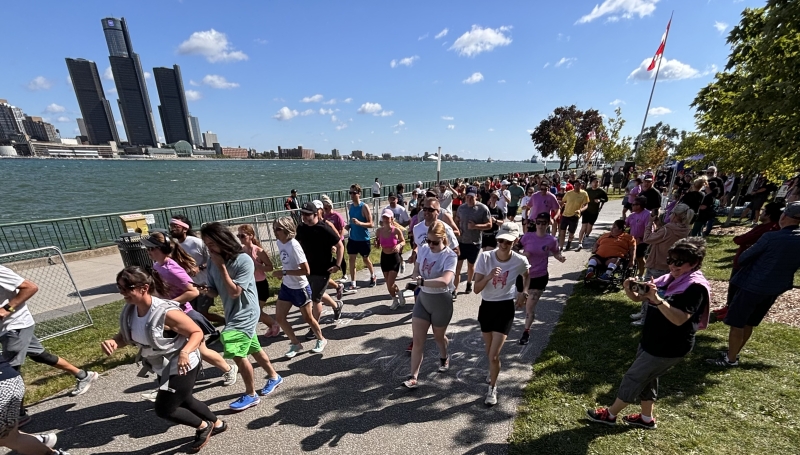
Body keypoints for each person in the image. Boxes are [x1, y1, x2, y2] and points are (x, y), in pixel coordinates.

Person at [587, 238, 711, 430]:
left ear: (694, 263)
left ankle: (610, 415)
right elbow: (639, 298)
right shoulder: (670, 278)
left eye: (679, 262)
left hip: (669, 346)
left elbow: (679, 319)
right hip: (652, 340)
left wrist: (657, 299)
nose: (672, 265)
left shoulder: (695, 287)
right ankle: (646, 418)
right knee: (647, 378)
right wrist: (629, 288)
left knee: (634, 377)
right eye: (670, 260)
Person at [102, 266, 227, 452]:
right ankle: (217, 424)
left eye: (126, 288)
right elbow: (125, 335)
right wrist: (114, 341)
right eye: (119, 287)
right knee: (184, 400)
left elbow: (196, 332)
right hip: (163, 365)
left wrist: (185, 352)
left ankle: (203, 426)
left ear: (143, 288)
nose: (122, 292)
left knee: (165, 409)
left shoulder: (165, 312)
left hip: (182, 364)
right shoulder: (131, 311)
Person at [140, 233, 238, 399]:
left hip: (184, 316)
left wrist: (169, 305)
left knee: (201, 351)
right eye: (148, 248)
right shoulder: (157, 265)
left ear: (162, 249)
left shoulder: (172, 269)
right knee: (169, 354)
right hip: (169, 317)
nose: (148, 251)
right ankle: (165, 389)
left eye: (152, 248)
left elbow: (193, 291)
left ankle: (229, 369)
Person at [198, 223, 283, 412]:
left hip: (247, 310)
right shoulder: (213, 260)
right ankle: (274, 376)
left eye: (211, 242)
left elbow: (235, 292)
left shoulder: (243, 260)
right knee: (252, 346)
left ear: (222, 240)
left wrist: (221, 267)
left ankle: (251, 395)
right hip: (232, 311)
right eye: (206, 243)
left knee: (233, 346)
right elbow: (215, 292)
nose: (209, 247)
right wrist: (204, 289)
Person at [0, 265, 98, 426]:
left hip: (15, 326)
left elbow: (30, 287)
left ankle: (18, 414)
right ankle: (83, 375)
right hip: (7, 328)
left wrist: (6, 309)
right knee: (40, 356)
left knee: (9, 371)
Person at [710, 201, 800, 367]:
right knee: (750, 322)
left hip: (752, 285)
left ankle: (730, 359)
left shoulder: (771, 237)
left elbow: (744, 257)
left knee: (737, 322)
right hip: (774, 288)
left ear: (785, 216)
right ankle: (734, 353)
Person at [473, 222, 530, 406]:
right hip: (487, 306)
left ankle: (492, 389)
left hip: (505, 308)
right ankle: (492, 370)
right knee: (489, 350)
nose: (504, 245)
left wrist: (523, 292)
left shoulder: (519, 260)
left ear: (515, 241)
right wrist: (488, 276)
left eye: (508, 242)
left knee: (494, 355)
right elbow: (475, 289)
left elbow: (526, 275)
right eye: (501, 240)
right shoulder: (486, 257)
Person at [403, 221, 458, 389]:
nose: (431, 245)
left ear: (443, 239)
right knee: (418, 340)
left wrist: (423, 282)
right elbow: (416, 271)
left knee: (438, 337)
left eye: (436, 242)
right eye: (429, 241)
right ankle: (413, 377)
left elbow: (445, 281)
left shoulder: (449, 256)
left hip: (441, 302)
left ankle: (444, 356)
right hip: (423, 300)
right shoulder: (424, 249)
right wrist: (415, 279)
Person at [711, 202, 782, 321]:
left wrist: (741, 239)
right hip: (741, 260)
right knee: (733, 285)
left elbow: (744, 239)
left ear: (769, 214)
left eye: (764, 211)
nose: (761, 213)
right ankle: (729, 307)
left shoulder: (770, 229)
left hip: (747, 263)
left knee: (738, 287)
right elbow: (744, 238)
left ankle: (732, 311)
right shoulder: (762, 226)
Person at [271, 216, 329, 358]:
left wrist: (284, 272)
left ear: (286, 230)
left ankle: (321, 339)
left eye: (277, 229)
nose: (275, 231)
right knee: (280, 317)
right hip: (287, 286)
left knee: (308, 318)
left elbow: (306, 271)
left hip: (300, 287)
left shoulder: (294, 246)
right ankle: (295, 343)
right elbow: (287, 263)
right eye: (274, 228)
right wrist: (283, 274)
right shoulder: (280, 242)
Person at [631, 203, 694, 326]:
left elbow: (648, 238)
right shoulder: (685, 229)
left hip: (656, 264)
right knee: (659, 294)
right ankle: (645, 313)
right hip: (670, 265)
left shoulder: (668, 229)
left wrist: (649, 223)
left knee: (647, 291)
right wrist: (658, 223)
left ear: (675, 215)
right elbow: (663, 235)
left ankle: (645, 319)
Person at [1, 359, 70, 454]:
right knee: (9, 437)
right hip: (10, 380)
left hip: (3, 387)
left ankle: (42, 444)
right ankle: (42, 442)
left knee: (9, 439)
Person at [516, 213, 566, 345]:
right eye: (539, 222)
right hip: (523, 275)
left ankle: (526, 332)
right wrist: (523, 255)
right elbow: (514, 249)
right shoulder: (527, 237)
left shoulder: (551, 240)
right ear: (535, 223)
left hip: (539, 276)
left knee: (529, 307)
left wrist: (560, 258)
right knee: (518, 302)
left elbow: (556, 252)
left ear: (548, 224)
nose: (541, 225)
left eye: (544, 222)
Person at [296, 202, 345, 332]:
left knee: (315, 299)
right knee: (315, 294)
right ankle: (336, 305)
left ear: (316, 214)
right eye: (303, 214)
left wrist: (337, 265)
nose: (304, 217)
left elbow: (340, 246)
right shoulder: (301, 228)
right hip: (307, 268)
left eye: (307, 214)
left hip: (323, 269)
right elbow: (297, 245)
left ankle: (314, 328)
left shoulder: (325, 228)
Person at [170, 216, 222, 327]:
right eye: (171, 226)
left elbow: (213, 259)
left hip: (204, 283)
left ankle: (226, 323)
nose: (172, 229)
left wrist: (200, 267)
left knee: (202, 313)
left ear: (185, 229)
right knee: (191, 313)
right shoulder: (174, 246)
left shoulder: (197, 242)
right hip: (188, 286)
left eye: (176, 226)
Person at [237, 225, 281, 338]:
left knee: (257, 311)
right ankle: (272, 325)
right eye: (238, 236)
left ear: (251, 236)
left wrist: (258, 267)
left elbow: (270, 267)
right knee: (254, 310)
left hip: (260, 284)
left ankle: (274, 325)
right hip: (249, 284)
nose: (240, 238)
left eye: (242, 235)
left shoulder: (259, 251)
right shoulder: (241, 251)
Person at [454, 186, 492, 296]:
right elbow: (456, 220)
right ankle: (454, 290)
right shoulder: (461, 208)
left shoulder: (483, 209)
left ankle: (469, 283)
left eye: (471, 197)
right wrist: (457, 228)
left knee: (471, 265)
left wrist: (476, 226)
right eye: (467, 197)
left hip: (474, 242)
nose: (469, 199)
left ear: (476, 196)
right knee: (458, 266)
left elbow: (489, 225)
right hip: (461, 241)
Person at [346, 184, 377, 291]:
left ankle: (373, 275)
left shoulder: (364, 207)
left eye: (354, 193)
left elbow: (371, 224)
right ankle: (353, 283)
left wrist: (359, 223)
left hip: (363, 239)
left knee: (365, 259)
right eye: (350, 193)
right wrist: (349, 225)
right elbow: (352, 221)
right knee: (351, 259)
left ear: (359, 194)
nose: (351, 195)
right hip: (353, 238)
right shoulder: (350, 206)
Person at [375, 209, 407, 309]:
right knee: (389, 284)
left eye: (387, 217)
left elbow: (403, 241)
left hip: (394, 258)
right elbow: (377, 244)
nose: (385, 219)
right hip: (384, 257)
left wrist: (399, 245)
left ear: (391, 219)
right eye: (383, 217)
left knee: (390, 283)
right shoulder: (379, 231)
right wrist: (376, 244)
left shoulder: (396, 230)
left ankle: (395, 300)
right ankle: (397, 296)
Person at [321, 195, 350, 286]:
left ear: (330, 207)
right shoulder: (324, 216)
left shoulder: (336, 216)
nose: (325, 210)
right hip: (329, 241)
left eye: (326, 208)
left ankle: (344, 274)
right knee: (328, 257)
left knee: (341, 257)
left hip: (338, 240)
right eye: (323, 208)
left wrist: (338, 240)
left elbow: (341, 229)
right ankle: (330, 272)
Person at [558, 180, 590, 251]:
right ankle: (561, 247)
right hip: (565, 215)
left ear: (581, 185)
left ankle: (569, 242)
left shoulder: (584, 194)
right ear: (573, 185)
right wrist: (559, 207)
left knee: (571, 233)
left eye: (578, 185)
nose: (577, 186)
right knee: (562, 231)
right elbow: (563, 202)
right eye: (575, 185)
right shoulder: (569, 193)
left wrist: (580, 210)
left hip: (575, 216)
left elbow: (586, 205)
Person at [577, 177, 608, 249]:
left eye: (597, 182)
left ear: (599, 183)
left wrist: (600, 200)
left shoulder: (601, 191)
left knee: (589, 226)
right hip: (586, 210)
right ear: (591, 183)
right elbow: (582, 198)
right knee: (583, 226)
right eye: (594, 182)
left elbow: (606, 199)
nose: (595, 183)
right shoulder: (587, 190)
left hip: (594, 211)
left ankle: (587, 236)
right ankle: (580, 242)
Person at [626, 196, 652, 279]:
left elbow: (649, 228)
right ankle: (631, 271)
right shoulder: (632, 215)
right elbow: (625, 225)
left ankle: (641, 274)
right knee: (631, 255)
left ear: (640, 205)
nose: (632, 206)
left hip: (643, 240)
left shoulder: (647, 214)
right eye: (632, 204)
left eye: (634, 204)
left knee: (640, 257)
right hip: (632, 240)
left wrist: (641, 238)